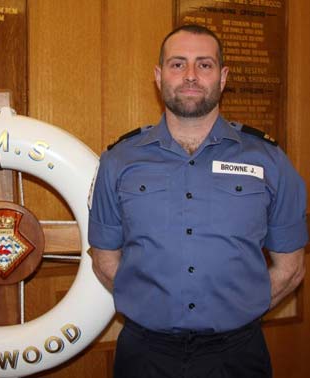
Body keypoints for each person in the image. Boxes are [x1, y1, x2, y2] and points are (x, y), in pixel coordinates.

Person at [87, 24, 307, 378]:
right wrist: (153, 309)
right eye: (178, 64)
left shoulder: (270, 160)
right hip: (145, 355)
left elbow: (291, 267)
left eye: (204, 65)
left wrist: (238, 313)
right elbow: (104, 260)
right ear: (159, 77)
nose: (190, 75)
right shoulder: (118, 161)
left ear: (223, 77)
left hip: (238, 355)